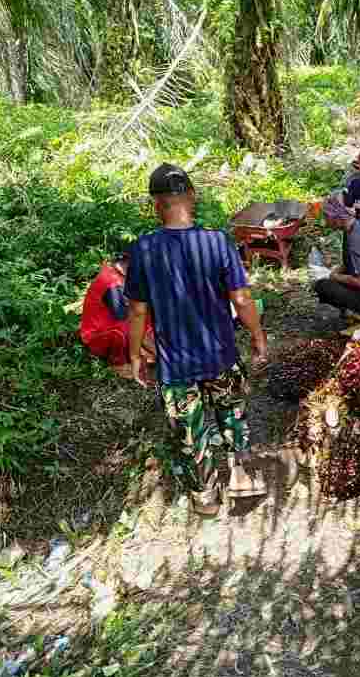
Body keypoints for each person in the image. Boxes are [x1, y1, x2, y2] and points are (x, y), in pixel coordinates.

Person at [124, 163, 269, 518]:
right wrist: (258, 336)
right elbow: (241, 299)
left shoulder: (144, 250)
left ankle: (206, 497)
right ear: (192, 196)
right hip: (220, 354)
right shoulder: (217, 241)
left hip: (176, 366)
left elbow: (138, 311)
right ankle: (244, 478)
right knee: (233, 416)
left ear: (156, 204)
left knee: (190, 432)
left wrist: (136, 355)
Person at [79, 252, 155, 381]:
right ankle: (119, 365)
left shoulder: (126, 276)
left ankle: (145, 353)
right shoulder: (112, 282)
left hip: (118, 322)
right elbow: (128, 321)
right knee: (122, 331)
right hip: (98, 334)